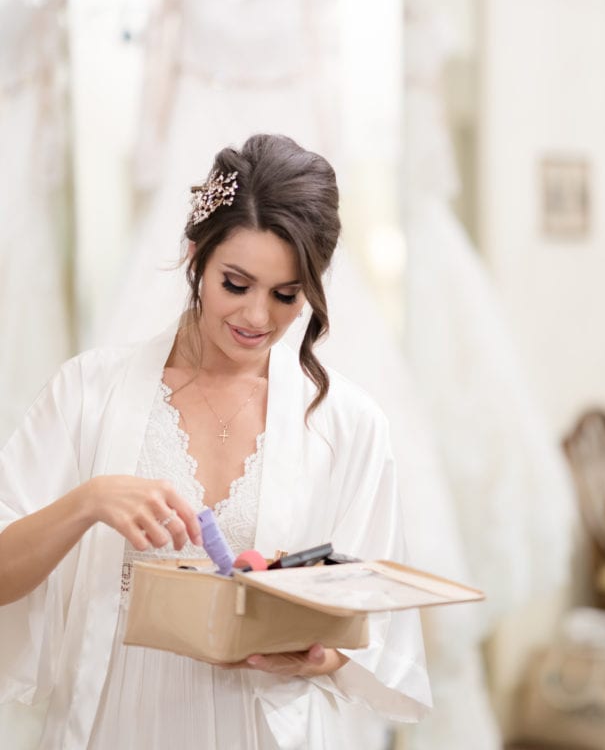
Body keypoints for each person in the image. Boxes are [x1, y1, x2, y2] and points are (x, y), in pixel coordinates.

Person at [0, 133, 431, 750]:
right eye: (236, 284)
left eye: (286, 296)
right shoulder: (87, 391)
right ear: (196, 255)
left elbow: (371, 630)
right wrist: (88, 501)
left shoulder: (348, 424)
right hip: (115, 720)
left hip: (260, 727)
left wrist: (319, 659)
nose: (258, 318)